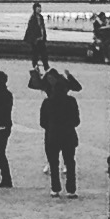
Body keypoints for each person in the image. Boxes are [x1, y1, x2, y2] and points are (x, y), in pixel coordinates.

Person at [40, 69, 80, 198]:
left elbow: (42, 122)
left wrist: (50, 127)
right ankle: (71, 190)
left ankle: (55, 188)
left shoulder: (47, 102)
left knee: (53, 163)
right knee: (70, 162)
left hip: (52, 135)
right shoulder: (71, 101)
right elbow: (76, 121)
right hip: (68, 134)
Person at [24, 1, 49, 71]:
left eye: (40, 8)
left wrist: (44, 36)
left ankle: (46, 67)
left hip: (41, 39)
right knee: (35, 55)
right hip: (35, 40)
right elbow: (31, 29)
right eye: (38, 8)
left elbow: (42, 28)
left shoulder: (40, 17)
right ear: (35, 9)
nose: (40, 10)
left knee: (44, 54)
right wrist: (34, 39)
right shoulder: (33, 18)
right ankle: (36, 68)